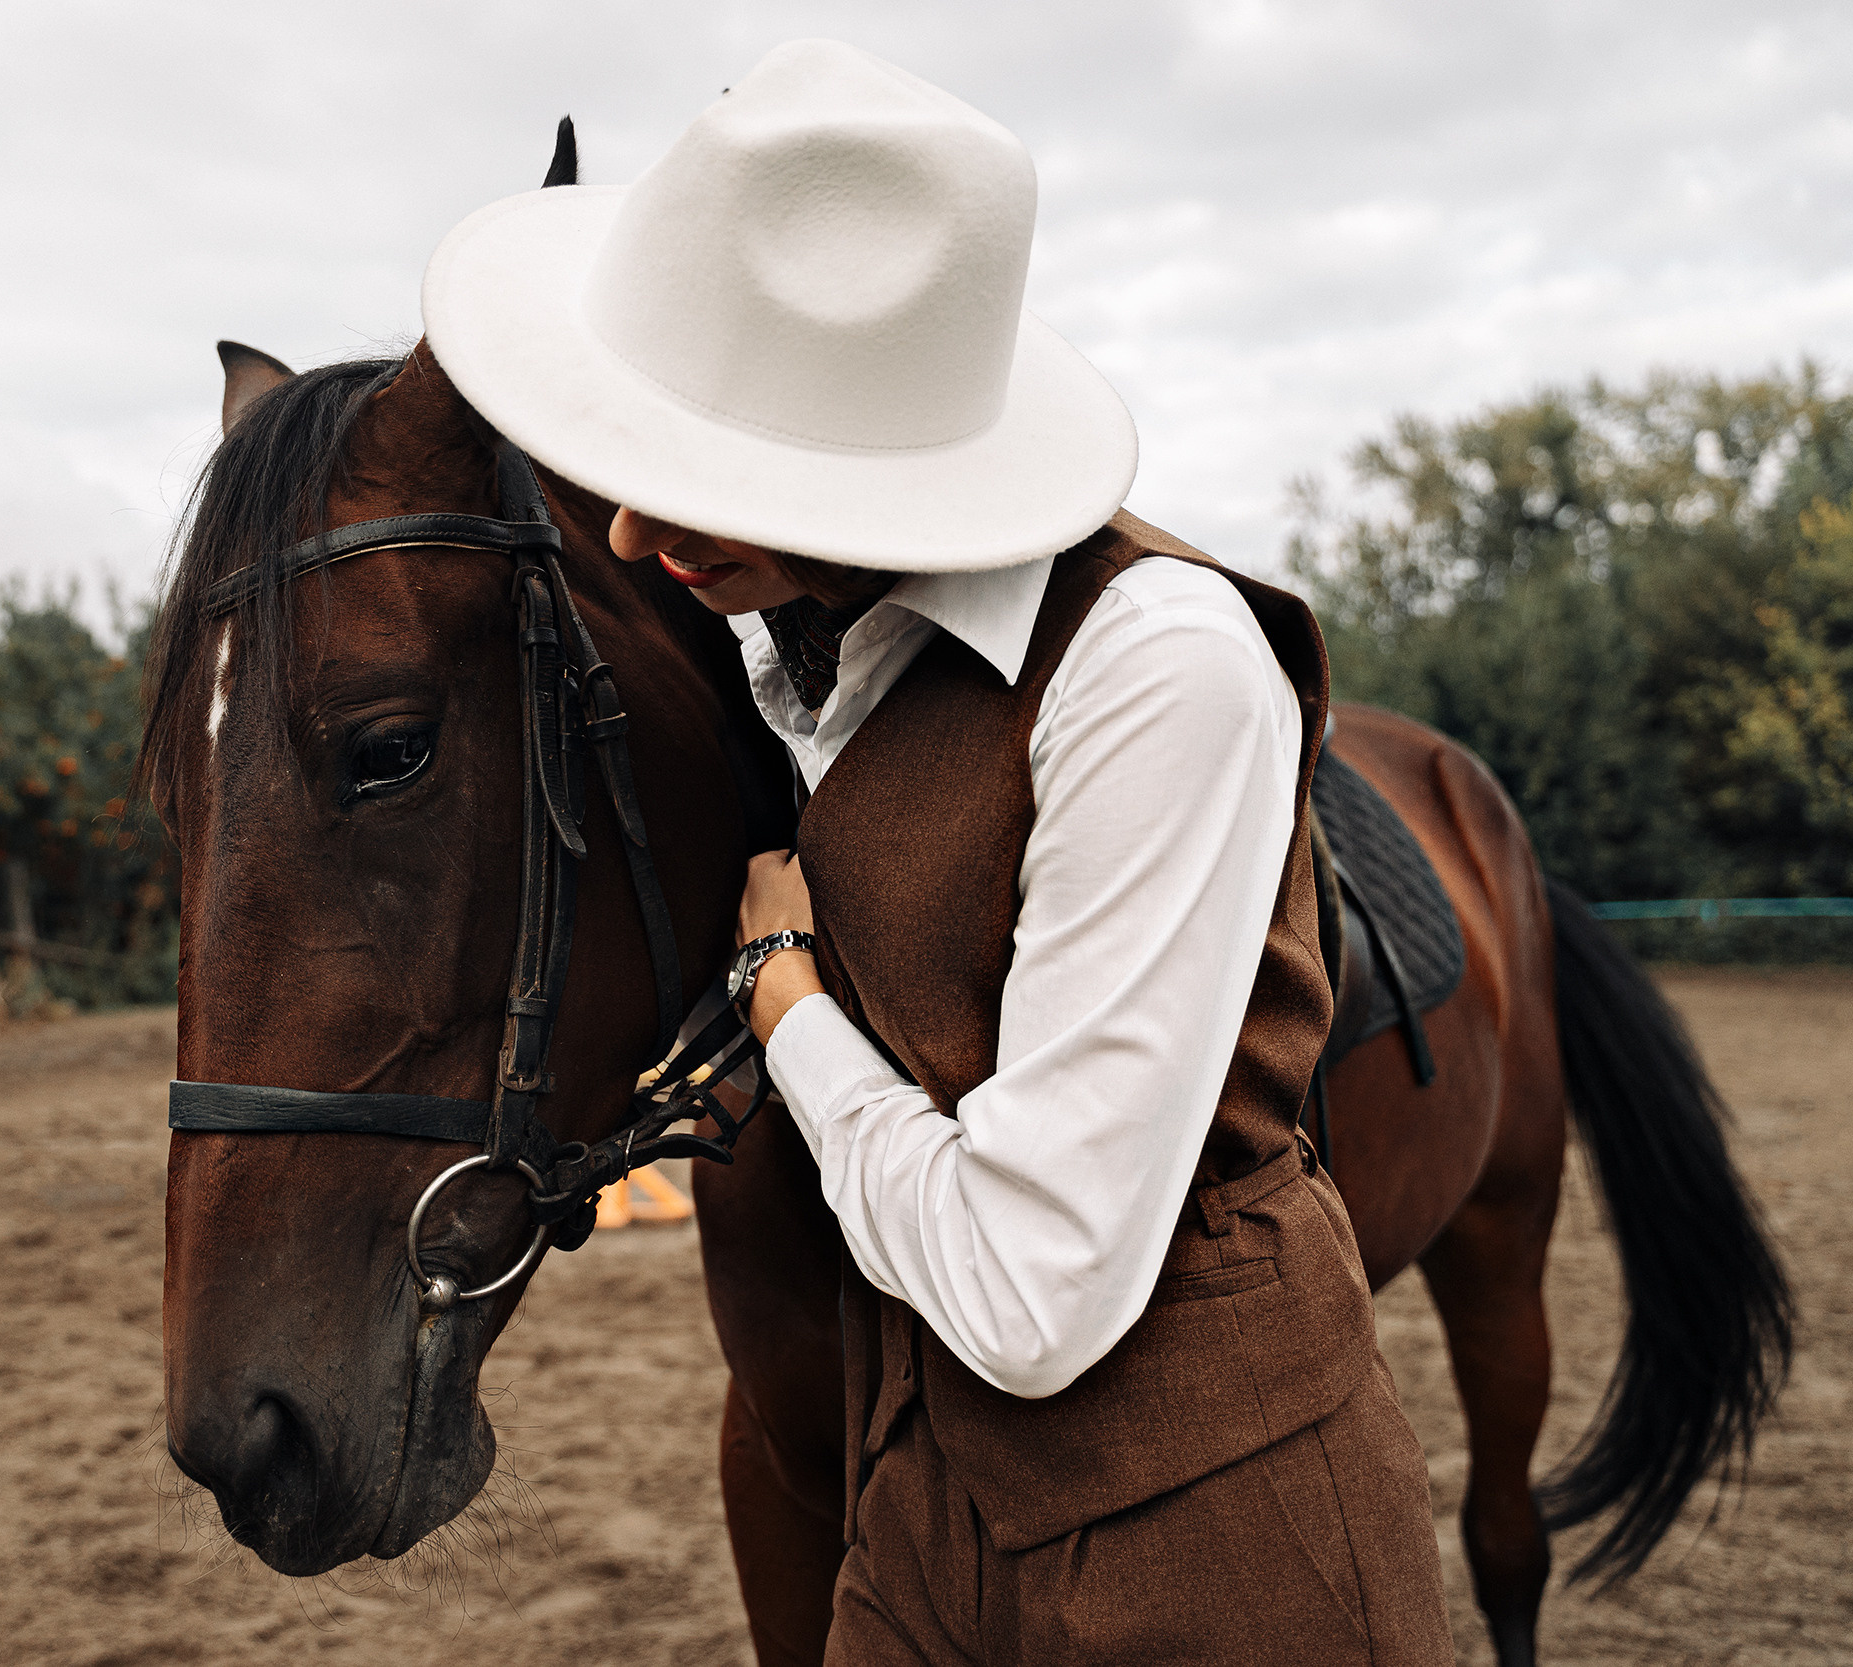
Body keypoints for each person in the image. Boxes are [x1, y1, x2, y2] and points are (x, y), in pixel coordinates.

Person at [421, 38, 1453, 1667]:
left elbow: (1035, 1301)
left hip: (1208, 1535)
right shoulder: (794, 633)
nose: (629, 533)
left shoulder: (1154, 662)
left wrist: (786, 1003)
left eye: (708, 479)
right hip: (907, 1508)